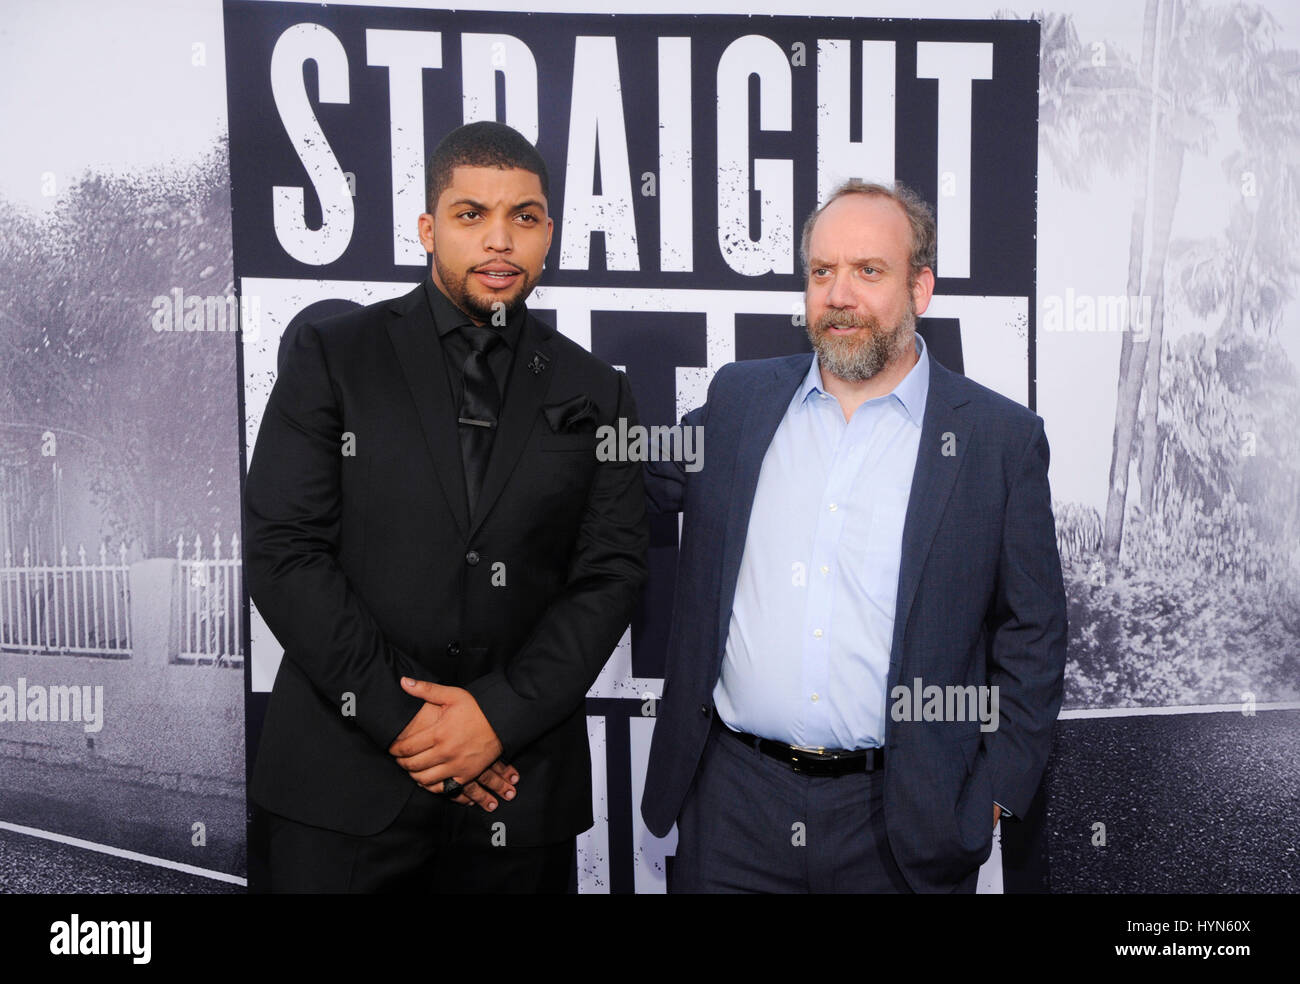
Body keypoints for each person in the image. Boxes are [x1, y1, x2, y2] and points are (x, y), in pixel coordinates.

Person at [244, 121, 648, 893]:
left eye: (523, 217)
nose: (500, 240)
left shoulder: (600, 391)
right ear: (428, 228)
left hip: (519, 797)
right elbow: (285, 552)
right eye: (472, 215)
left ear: (549, 233)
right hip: (340, 790)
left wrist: (495, 719)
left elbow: (612, 575)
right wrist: (418, 730)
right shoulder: (331, 356)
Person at [640, 180, 1067, 893]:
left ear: (920, 287)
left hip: (905, 821)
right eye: (821, 272)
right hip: (733, 811)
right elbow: (626, 485)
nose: (839, 295)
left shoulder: (998, 440)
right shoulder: (740, 401)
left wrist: (992, 794)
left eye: (869, 271)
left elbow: (1035, 636)